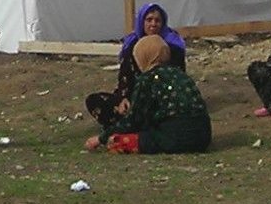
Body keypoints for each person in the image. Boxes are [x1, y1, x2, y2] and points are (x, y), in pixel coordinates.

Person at [83, 33, 213, 154]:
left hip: (174, 137)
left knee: (119, 142)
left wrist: (101, 138)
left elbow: (133, 120)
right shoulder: (180, 74)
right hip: (203, 138)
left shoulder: (148, 79)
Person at [87, 3, 187, 126]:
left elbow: (177, 79)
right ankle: (133, 123)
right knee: (94, 100)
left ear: (163, 23)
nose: (153, 24)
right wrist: (123, 99)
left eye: (157, 20)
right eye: (149, 20)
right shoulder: (132, 45)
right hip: (133, 97)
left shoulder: (173, 47)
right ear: (141, 22)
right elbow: (125, 77)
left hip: (160, 98)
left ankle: (131, 125)